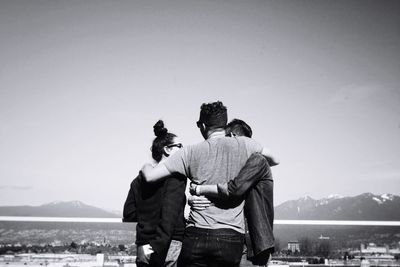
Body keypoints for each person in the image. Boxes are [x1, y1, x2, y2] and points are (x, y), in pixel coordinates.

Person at [141, 101, 273, 267]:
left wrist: (146, 165)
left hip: (196, 234)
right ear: (225, 126)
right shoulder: (246, 145)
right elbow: (274, 159)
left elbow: (150, 176)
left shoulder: (189, 152)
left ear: (203, 125)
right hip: (231, 237)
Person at [190, 118, 276, 266]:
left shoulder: (257, 161)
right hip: (235, 239)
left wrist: (199, 189)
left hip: (253, 244)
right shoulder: (236, 165)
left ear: (232, 138)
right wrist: (194, 199)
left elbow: (233, 189)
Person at [123, 120, 187, 267]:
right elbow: (169, 216)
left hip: (143, 246)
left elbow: (129, 213)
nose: (183, 151)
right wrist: (157, 246)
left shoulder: (138, 180)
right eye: (180, 146)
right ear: (167, 150)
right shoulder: (176, 177)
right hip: (167, 244)